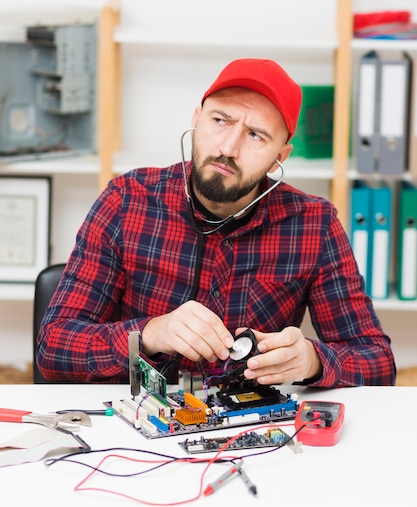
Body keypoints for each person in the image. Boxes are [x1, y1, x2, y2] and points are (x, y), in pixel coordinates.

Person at [36, 58, 396, 387]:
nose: (228, 147)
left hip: (247, 435)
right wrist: (150, 333)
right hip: (136, 423)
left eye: (256, 135)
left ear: (279, 157)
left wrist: (313, 361)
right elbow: (54, 346)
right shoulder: (126, 199)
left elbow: (378, 363)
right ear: (196, 119)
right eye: (220, 120)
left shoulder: (314, 225)